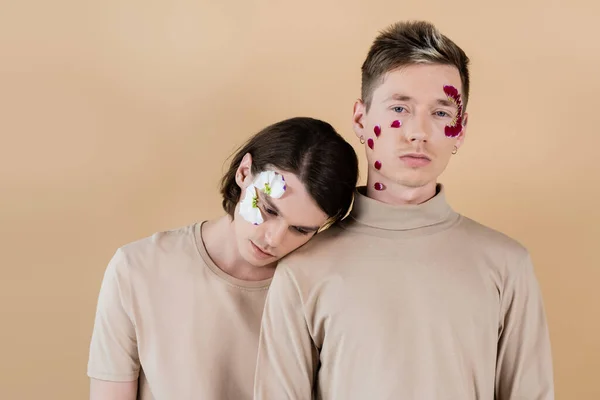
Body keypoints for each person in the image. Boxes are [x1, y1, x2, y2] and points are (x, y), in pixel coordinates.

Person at [253, 21, 554, 400]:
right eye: (399, 108)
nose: (418, 132)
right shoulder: (302, 269)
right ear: (361, 120)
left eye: (441, 113)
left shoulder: (507, 265)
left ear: (460, 130)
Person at [87, 116, 359, 399]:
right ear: (244, 173)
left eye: (301, 230)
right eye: (269, 210)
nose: (274, 238)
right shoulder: (137, 268)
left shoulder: (317, 290)